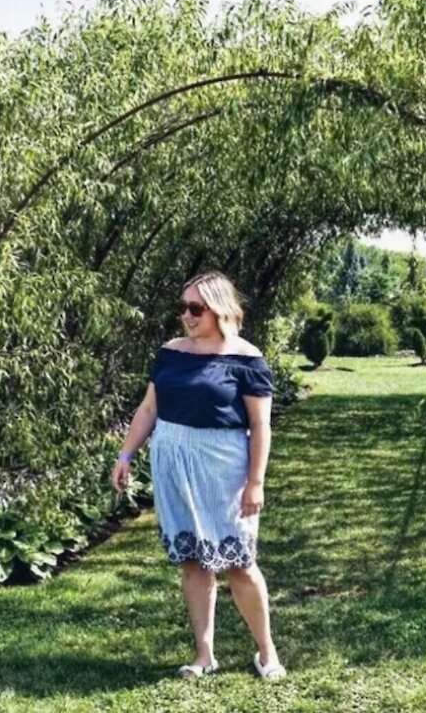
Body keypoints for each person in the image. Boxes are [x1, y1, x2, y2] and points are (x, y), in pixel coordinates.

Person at [110, 270, 287, 681]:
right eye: (182, 307)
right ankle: (204, 654)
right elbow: (149, 409)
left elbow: (261, 426)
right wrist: (125, 454)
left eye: (195, 308)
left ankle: (267, 652)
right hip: (173, 461)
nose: (186, 316)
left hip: (223, 466)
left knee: (240, 562)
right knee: (194, 561)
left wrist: (255, 481)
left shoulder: (247, 359)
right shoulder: (171, 352)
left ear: (219, 309)